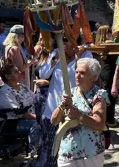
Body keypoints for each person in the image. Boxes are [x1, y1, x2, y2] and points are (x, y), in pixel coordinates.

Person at [52, 58, 108, 167]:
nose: (77, 75)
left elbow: (99, 124)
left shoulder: (99, 95)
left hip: (90, 153)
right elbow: (54, 121)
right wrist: (61, 105)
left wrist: (78, 115)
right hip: (68, 151)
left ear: (94, 77)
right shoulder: (69, 93)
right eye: (76, 72)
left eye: (82, 73)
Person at [37, 38, 79, 167]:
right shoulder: (56, 57)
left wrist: (78, 55)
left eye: (67, 41)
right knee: (49, 148)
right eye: (63, 41)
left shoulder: (80, 59)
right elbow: (43, 74)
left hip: (71, 110)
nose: (64, 44)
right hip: (52, 109)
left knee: (68, 149)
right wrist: (53, 58)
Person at [0, 64, 41, 155]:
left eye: (18, 71)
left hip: (29, 117)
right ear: (7, 76)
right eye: (16, 72)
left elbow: (36, 99)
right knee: (38, 124)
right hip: (12, 122)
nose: (20, 73)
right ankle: (35, 152)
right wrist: (38, 117)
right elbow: (20, 113)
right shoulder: (5, 92)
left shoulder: (22, 87)